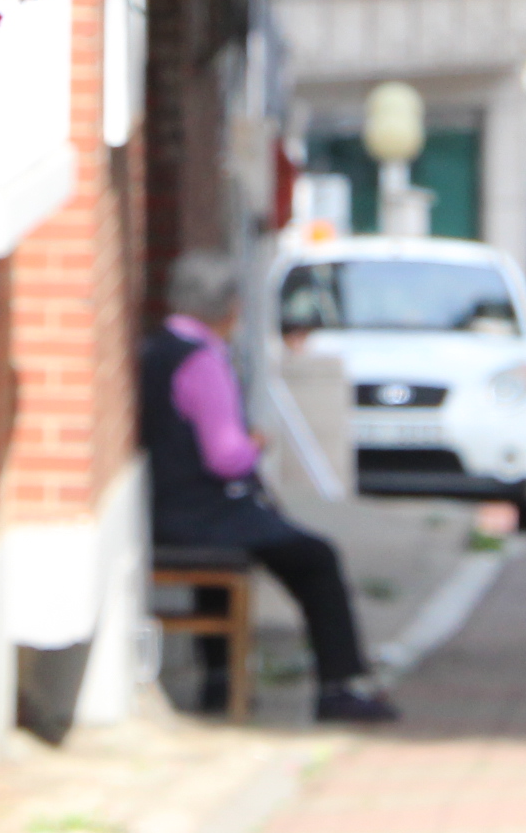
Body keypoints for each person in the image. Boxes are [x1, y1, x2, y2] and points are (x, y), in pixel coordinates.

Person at [141, 249, 401, 724]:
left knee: (247, 551)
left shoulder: (156, 350)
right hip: (204, 511)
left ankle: (219, 682)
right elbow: (225, 457)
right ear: (228, 307)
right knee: (317, 558)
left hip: (163, 508)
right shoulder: (203, 360)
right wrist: (256, 443)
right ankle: (339, 686)